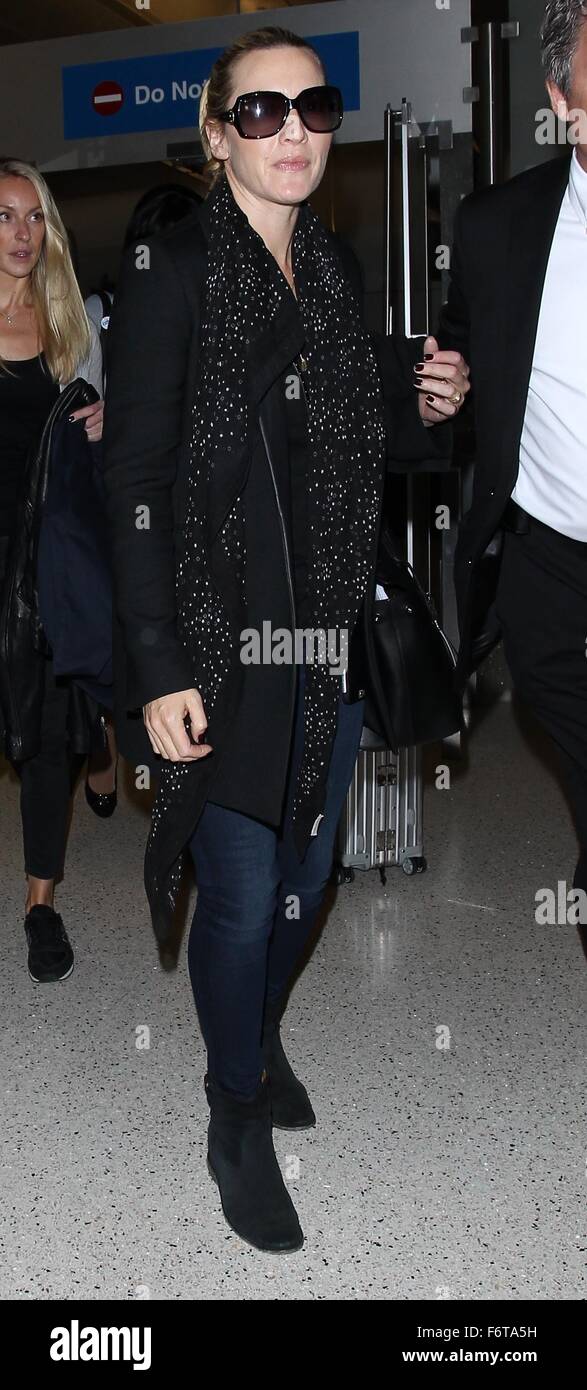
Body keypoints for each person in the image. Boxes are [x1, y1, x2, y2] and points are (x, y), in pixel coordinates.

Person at [102, 25, 469, 1253]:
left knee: (313, 878)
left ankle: (257, 1035)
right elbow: (137, 472)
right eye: (259, 114)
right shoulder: (172, 266)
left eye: (311, 107)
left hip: (325, 635)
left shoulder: (332, 262)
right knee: (246, 892)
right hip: (217, 638)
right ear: (216, 137)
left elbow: (335, 431)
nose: (293, 131)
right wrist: (155, 663)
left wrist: (411, 395)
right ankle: (233, 1110)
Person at [438, 0, 587, 911]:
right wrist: (444, 387)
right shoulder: (498, 225)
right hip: (548, 571)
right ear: (558, 94)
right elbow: (462, 349)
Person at [0, 157, 104, 982]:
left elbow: (101, 428)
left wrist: (102, 423)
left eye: (35, 217)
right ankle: (98, 742)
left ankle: (40, 904)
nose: (23, 233)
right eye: (5, 216)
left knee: (40, 738)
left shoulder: (70, 321)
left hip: (43, 562)